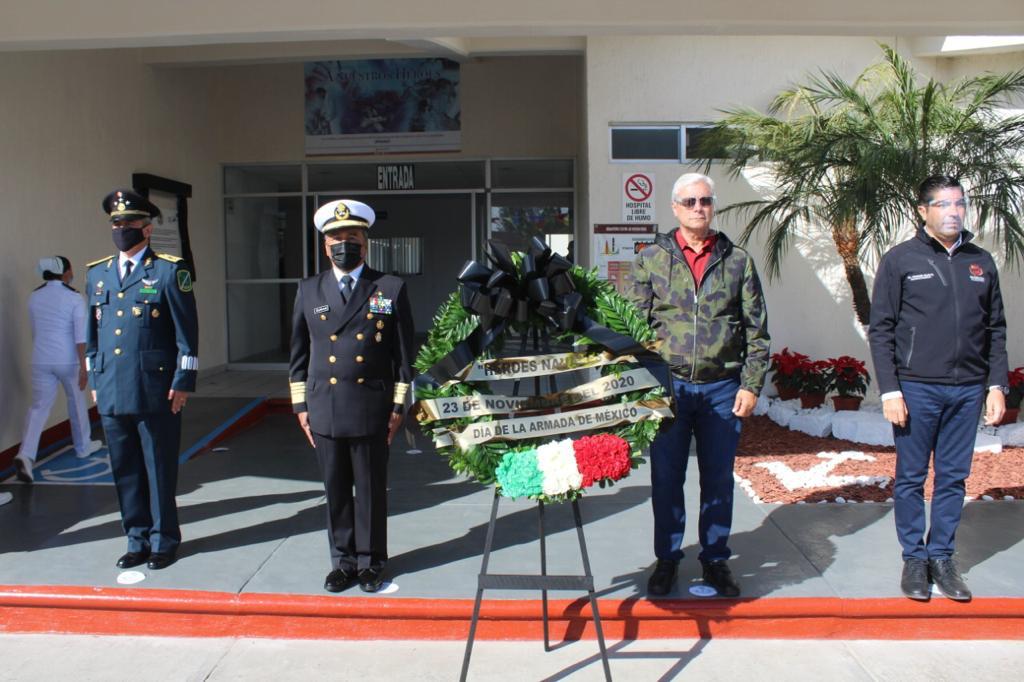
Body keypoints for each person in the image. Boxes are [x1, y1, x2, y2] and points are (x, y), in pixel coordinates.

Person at [629, 172, 770, 597]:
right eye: (689, 201)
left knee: (718, 477)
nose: (698, 208)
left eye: (705, 201)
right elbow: (632, 329)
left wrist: (751, 384)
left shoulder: (737, 260)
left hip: (722, 386)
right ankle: (668, 558)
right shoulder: (650, 258)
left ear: (713, 206)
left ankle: (714, 559)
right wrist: (639, 387)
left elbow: (757, 331)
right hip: (667, 387)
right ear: (674, 208)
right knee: (666, 478)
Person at [869, 175, 1008, 602]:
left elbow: (995, 329)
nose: (953, 211)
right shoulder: (901, 260)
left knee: (953, 478)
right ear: (922, 210)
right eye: (943, 204)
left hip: (967, 389)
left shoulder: (980, 261)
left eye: (959, 203)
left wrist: (997, 384)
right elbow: (882, 330)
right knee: (910, 478)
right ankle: (914, 558)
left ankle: (942, 557)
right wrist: (890, 390)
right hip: (916, 389)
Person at [289, 199, 414, 594]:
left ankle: (372, 561)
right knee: (336, 490)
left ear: (366, 243)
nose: (345, 244)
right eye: (336, 238)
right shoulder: (309, 289)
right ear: (325, 246)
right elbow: (298, 354)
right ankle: (342, 561)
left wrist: (398, 406)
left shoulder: (389, 288)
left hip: (370, 406)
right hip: (323, 405)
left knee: (371, 490)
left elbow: (404, 356)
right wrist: (299, 405)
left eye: (353, 237)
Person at [85, 189, 199, 571]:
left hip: (156, 389)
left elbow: (187, 333)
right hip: (113, 387)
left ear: (147, 229)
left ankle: (164, 539)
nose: (122, 229)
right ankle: (136, 537)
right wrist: (95, 382)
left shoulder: (169, 270)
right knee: (125, 469)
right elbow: (94, 334)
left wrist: (184, 379)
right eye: (117, 224)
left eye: (130, 224)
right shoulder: (97, 274)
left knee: (158, 467)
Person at [14, 256, 102, 483]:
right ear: (64, 271)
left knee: (38, 408)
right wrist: (84, 368)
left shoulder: (34, 297)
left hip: (40, 358)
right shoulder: (74, 298)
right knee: (76, 401)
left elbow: (35, 330)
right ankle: (83, 446)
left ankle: (25, 454)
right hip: (67, 359)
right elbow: (81, 338)